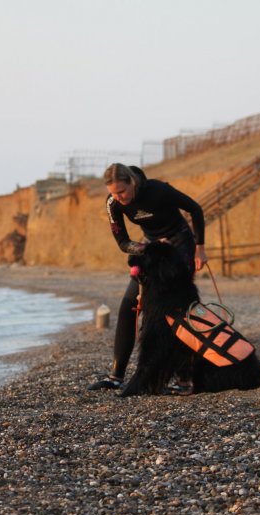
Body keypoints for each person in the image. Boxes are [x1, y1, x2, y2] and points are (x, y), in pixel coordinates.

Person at [88, 163, 208, 390]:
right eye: (113, 192)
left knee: (175, 312)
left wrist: (200, 249)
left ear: (132, 182)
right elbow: (123, 243)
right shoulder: (113, 202)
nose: (118, 197)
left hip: (180, 244)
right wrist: (146, 248)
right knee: (129, 306)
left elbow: (195, 209)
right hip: (152, 249)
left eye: (122, 191)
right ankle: (116, 377)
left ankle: (183, 377)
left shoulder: (158, 190)